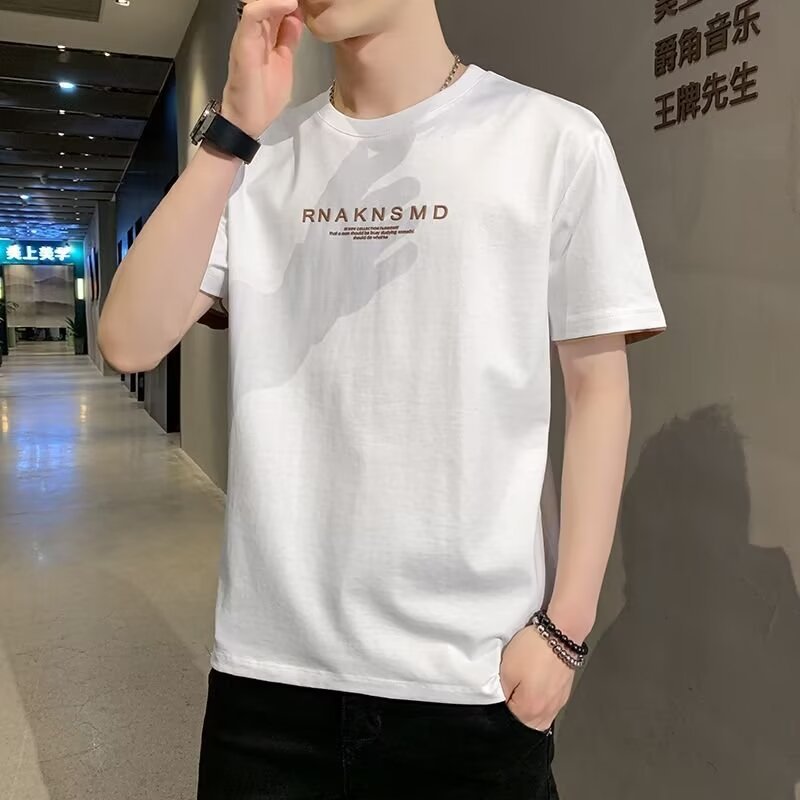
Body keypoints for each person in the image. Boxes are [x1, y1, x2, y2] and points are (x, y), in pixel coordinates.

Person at [98, 0, 667, 797]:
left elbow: (598, 391)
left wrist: (565, 630)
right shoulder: (260, 154)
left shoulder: (551, 137)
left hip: (472, 681)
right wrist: (232, 131)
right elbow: (128, 342)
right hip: (270, 681)